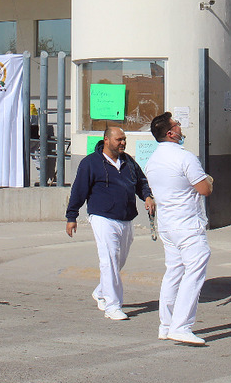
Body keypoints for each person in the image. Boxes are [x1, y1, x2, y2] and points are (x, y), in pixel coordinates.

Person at [65, 126, 154, 321]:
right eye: (118, 140)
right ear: (106, 140)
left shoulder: (129, 161)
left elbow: (141, 181)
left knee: (119, 260)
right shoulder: (90, 163)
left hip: (126, 217)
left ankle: (101, 291)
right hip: (102, 217)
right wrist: (71, 217)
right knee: (109, 260)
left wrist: (147, 196)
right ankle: (112, 306)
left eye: (124, 139)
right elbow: (78, 190)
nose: (123, 143)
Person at [145, 112, 212, 346]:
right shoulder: (185, 157)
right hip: (186, 223)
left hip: (168, 224)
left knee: (174, 271)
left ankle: (166, 324)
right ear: (170, 133)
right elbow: (204, 189)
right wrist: (209, 181)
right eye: (177, 124)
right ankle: (181, 326)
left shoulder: (153, 160)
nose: (181, 127)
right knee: (195, 268)